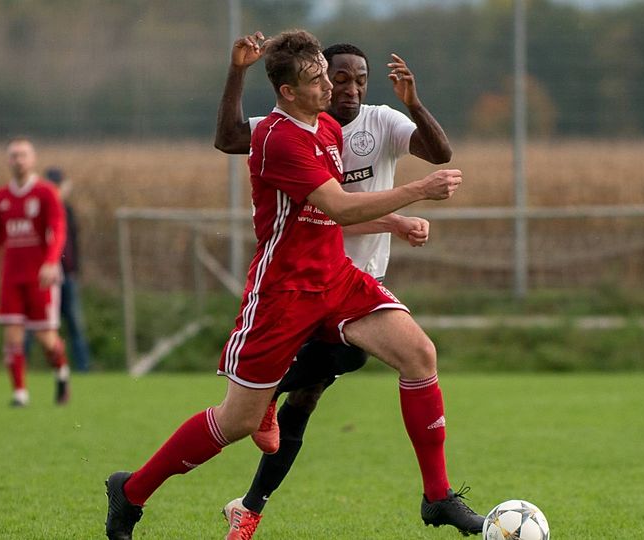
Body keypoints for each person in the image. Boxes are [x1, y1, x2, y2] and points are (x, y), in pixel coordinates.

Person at [104, 29, 481, 539]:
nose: (330, 86)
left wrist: (391, 222)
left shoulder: (325, 126)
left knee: (419, 355)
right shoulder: (279, 139)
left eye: (328, 74)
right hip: (284, 292)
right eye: (318, 79)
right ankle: (131, 491)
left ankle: (437, 496)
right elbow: (337, 206)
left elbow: (326, 218)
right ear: (287, 91)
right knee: (235, 422)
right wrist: (418, 191)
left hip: (336, 278)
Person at [213, 32, 467, 539]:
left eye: (360, 80)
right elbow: (231, 138)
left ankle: (249, 500)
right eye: (339, 78)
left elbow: (439, 152)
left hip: (357, 280)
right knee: (331, 373)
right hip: (308, 281)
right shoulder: (292, 129)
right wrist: (238, 71)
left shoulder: (380, 121)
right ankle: (253, 475)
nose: (349, 88)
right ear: (319, 80)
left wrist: (414, 103)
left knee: (314, 391)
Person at [0, 137, 71, 406]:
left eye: (23, 155)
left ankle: (62, 372)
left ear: (33, 160)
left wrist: (51, 262)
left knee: (45, 338)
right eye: (14, 155)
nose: (18, 160)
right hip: (11, 276)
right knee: (12, 334)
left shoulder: (46, 193)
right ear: (8, 160)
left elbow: (58, 230)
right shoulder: (0, 197)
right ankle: (20, 393)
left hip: (40, 277)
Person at [43, 167, 92, 372]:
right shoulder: (42, 211)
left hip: (68, 276)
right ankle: (24, 366)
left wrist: (74, 270)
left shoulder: (67, 211)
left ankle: (83, 368)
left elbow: (71, 244)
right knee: (38, 326)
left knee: (75, 324)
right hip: (45, 277)